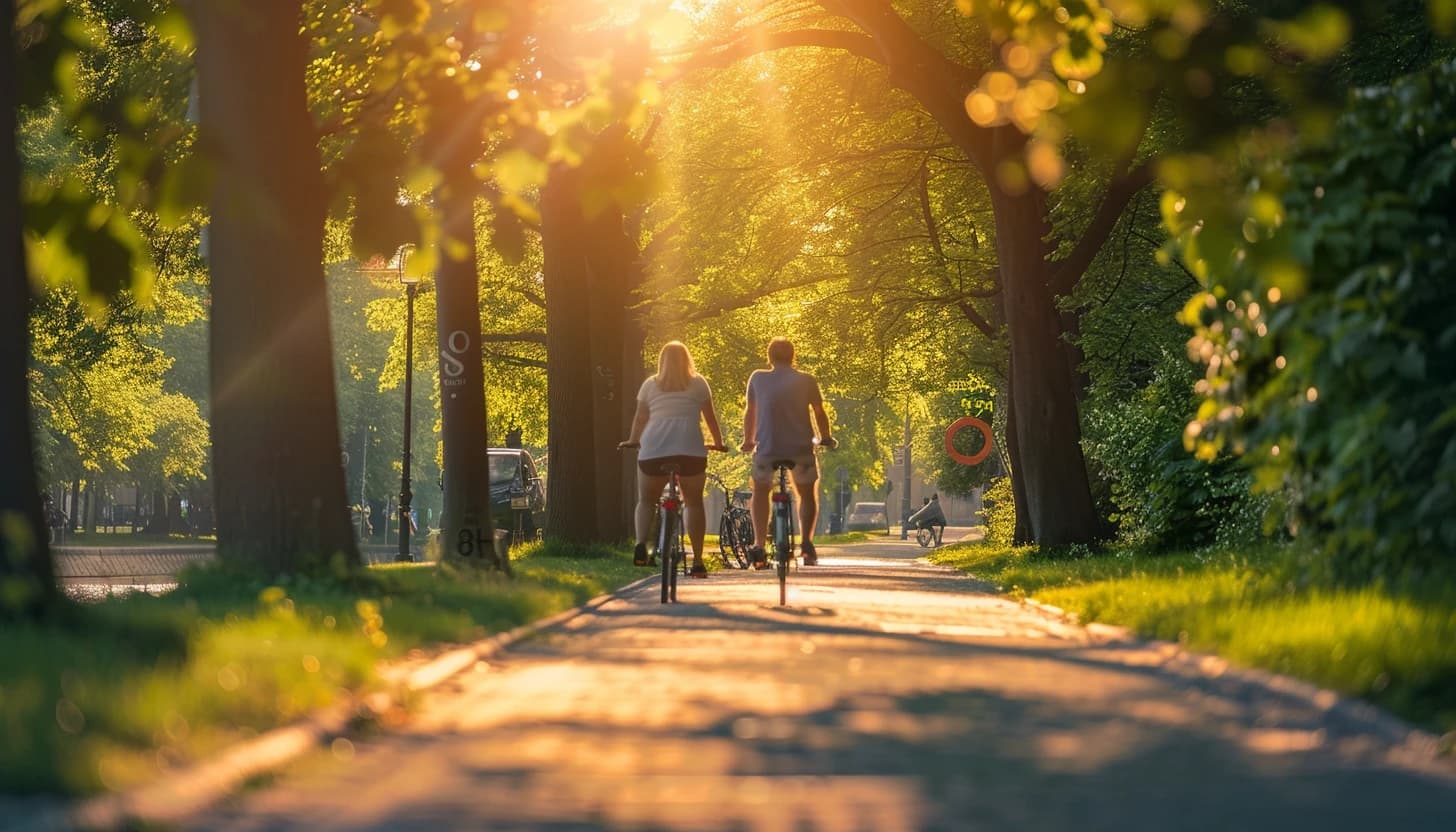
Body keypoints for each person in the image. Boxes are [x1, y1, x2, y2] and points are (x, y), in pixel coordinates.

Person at [619, 341, 727, 577]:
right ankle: (698, 561)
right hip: (690, 451)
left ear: (662, 362)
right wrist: (718, 444)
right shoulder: (699, 384)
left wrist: (632, 440)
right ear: (687, 360)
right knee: (694, 503)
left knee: (647, 500)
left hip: (653, 451)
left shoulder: (649, 385)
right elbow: (710, 418)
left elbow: (640, 418)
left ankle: (640, 544)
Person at [741, 337, 836, 568]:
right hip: (800, 448)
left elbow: (750, 412)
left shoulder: (758, 378)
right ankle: (806, 544)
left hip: (768, 449)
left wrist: (748, 441)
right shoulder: (807, 380)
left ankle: (760, 545)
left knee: (761, 490)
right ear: (793, 356)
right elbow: (819, 412)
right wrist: (825, 437)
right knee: (806, 494)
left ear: (769, 357)